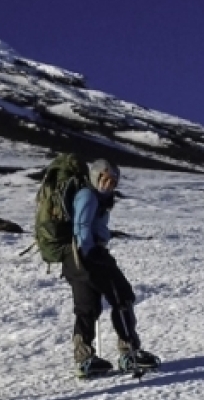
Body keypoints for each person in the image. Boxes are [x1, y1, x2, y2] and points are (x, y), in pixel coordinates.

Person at [62, 158, 159, 377]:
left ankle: (84, 358)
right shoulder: (88, 195)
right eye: (105, 179)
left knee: (87, 307)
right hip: (87, 255)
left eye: (113, 181)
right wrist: (90, 251)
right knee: (122, 296)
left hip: (73, 258)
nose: (109, 185)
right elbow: (82, 226)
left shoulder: (95, 197)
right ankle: (129, 352)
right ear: (96, 177)